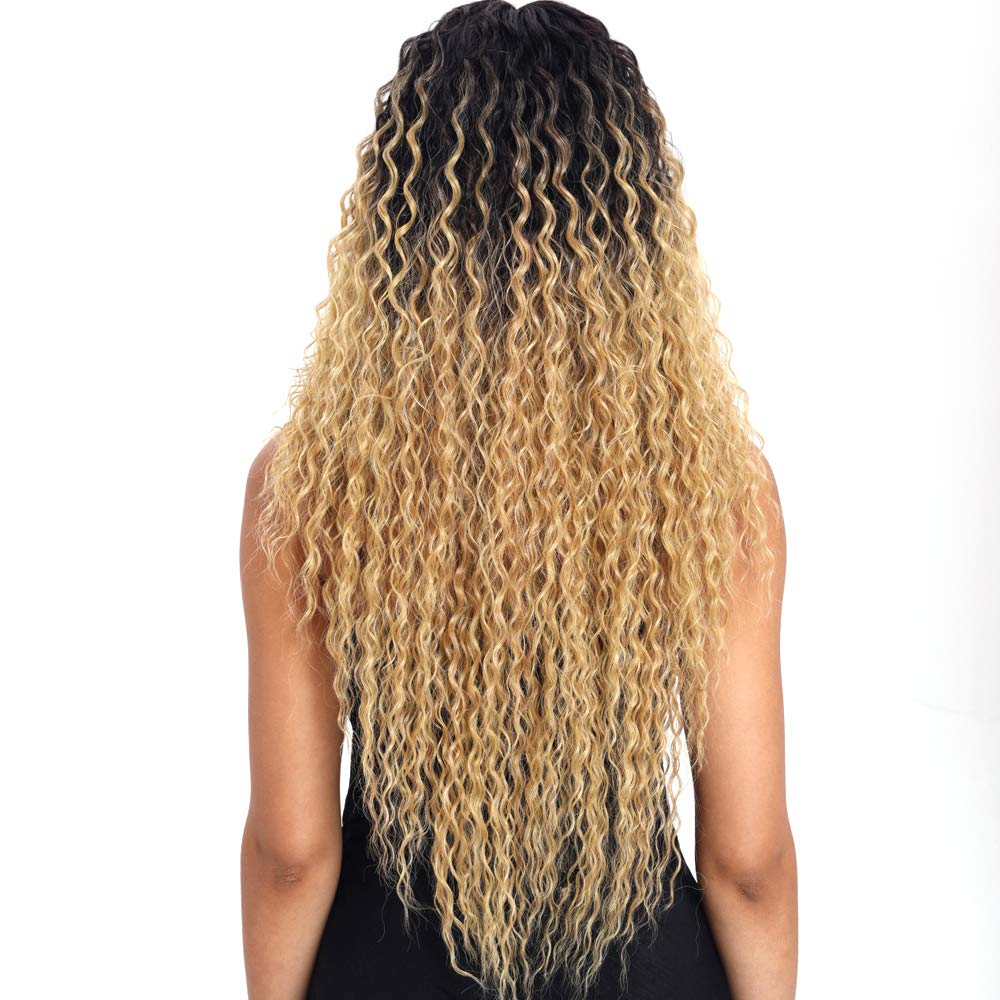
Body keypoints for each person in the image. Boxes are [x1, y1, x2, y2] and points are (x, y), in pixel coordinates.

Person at [239, 2, 797, 998]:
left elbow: (291, 851)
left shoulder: (311, 486)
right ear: (634, 233)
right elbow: (747, 863)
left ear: (398, 229)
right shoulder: (716, 489)